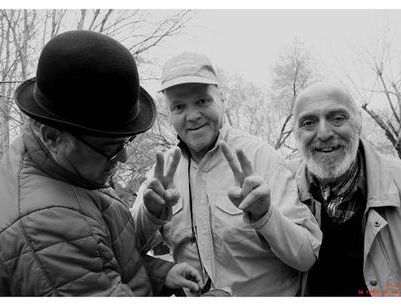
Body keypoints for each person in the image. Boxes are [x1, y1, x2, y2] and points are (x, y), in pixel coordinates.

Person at [0, 31, 203, 296]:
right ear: (52, 137)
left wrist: (160, 273)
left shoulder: (65, 167)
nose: (123, 158)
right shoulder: (47, 226)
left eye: (125, 142)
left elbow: (100, 261)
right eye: (110, 148)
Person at [131, 52, 322, 296]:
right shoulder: (162, 173)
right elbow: (122, 250)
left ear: (222, 100)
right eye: (179, 107)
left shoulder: (261, 158)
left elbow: (306, 257)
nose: (192, 116)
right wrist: (151, 214)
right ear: (169, 113)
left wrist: (266, 214)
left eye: (202, 101)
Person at [289, 82, 401, 296]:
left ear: (359, 122)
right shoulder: (283, 192)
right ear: (296, 133)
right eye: (309, 123)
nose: (324, 133)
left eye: (337, 118)